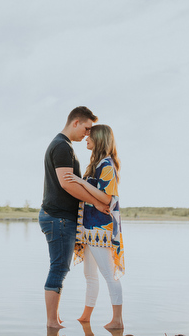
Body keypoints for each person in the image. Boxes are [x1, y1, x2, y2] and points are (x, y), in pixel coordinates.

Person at [39, 106, 106, 329]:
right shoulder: (62, 147)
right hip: (58, 217)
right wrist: (96, 201)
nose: (88, 134)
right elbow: (67, 183)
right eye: (86, 128)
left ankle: (54, 319)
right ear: (75, 122)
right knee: (59, 268)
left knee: (59, 267)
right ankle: (51, 323)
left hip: (58, 217)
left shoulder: (63, 145)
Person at [64, 124, 125, 329]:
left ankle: (117, 320)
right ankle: (85, 317)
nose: (86, 138)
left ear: (99, 139)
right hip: (89, 228)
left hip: (100, 230)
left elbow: (107, 198)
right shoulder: (97, 164)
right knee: (90, 275)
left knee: (109, 274)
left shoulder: (107, 165)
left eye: (90, 136)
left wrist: (81, 183)